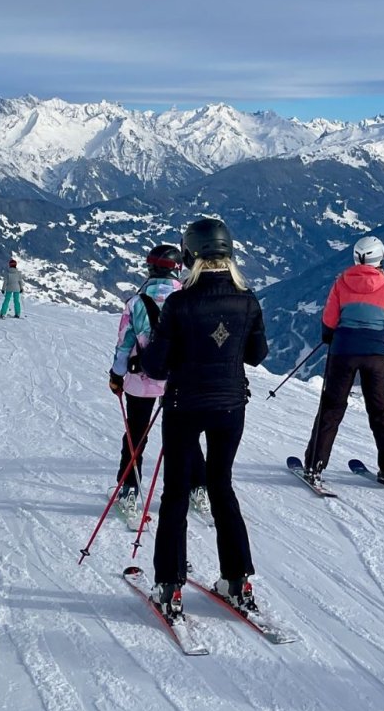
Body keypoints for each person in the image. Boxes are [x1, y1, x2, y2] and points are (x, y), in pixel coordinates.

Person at [140, 218, 268, 618]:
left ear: (190, 255)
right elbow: (256, 355)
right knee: (221, 488)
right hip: (231, 406)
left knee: (176, 494)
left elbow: (157, 367)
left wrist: (148, 351)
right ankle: (237, 579)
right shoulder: (247, 299)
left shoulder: (179, 302)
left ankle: (169, 585)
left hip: (184, 404)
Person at [302, 236, 384, 487]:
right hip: (375, 354)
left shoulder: (341, 282)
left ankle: (315, 465)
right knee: (380, 410)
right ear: (380, 258)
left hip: (343, 351)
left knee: (332, 408)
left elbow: (329, 321)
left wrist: (330, 333)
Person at [108, 243, 204, 522]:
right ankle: (199, 488)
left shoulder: (136, 302)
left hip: (142, 379)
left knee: (136, 434)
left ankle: (128, 490)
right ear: (178, 268)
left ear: (150, 268)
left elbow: (124, 345)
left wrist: (116, 377)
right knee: (187, 436)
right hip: (180, 380)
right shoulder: (189, 298)